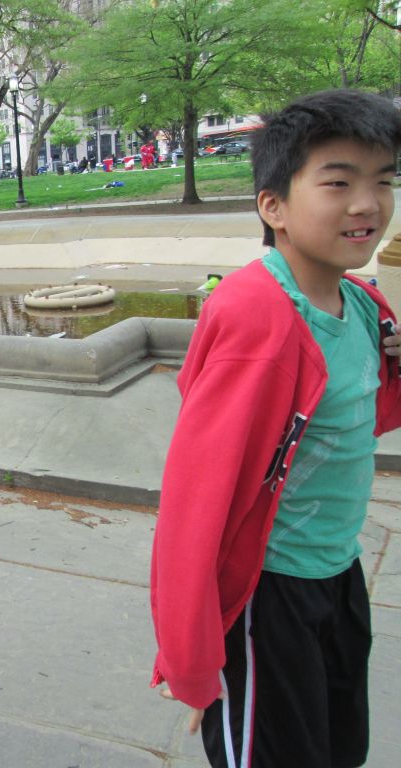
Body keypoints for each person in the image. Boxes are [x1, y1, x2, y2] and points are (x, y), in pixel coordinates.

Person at [150, 88, 401, 768]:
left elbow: (355, 417)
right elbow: (195, 498)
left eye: (384, 181)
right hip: (270, 595)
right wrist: (192, 652)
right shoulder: (257, 317)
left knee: (337, 745)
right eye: (339, 182)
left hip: (339, 572)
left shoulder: (362, 302)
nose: (367, 205)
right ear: (274, 206)